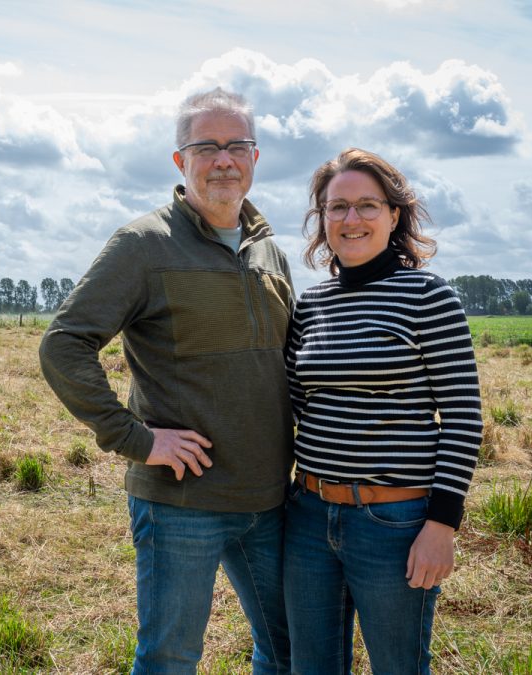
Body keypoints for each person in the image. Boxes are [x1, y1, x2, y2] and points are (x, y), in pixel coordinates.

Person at [39, 88, 294, 674]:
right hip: (183, 501)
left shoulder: (269, 252)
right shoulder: (143, 245)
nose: (223, 160)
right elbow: (63, 345)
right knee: (171, 658)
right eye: (206, 146)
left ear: (255, 158)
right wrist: (138, 440)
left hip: (273, 498)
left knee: (287, 652)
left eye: (237, 146)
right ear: (181, 161)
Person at [284, 147, 483, 673]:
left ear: (394, 215)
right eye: (337, 207)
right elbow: (294, 405)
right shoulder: (311, 305)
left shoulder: (427, 297)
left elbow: (464, 417)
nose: (352, 219)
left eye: (367, 206)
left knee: (398, 666)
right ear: (322, 219)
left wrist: (442, 525)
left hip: (394, 522)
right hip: (308, 516)